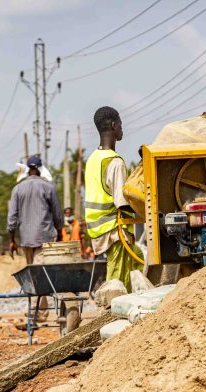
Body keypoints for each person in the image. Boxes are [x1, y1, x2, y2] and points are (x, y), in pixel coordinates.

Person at [85, 106, 143, 292]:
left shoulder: (93, 158)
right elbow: (122, 202)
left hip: (98, 228)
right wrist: (148, 213)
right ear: (113, 125)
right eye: (120, 124)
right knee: (117, 279)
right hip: (114, 228)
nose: (122, 129)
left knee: (137, 259)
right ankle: (113, 312)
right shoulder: (115, 162)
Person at [7, 155, 63, 265]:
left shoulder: (17, 189)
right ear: (40, 169)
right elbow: (58, 215)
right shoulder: (49, 188)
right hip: (45, 238)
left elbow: (12, 218)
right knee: (41, 273)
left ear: (28, 170)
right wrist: (60, 234)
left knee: (32, 272)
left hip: (26, 239)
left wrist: (12, 240)